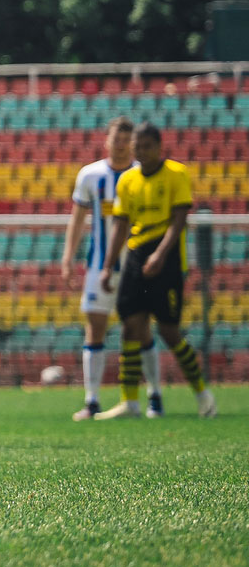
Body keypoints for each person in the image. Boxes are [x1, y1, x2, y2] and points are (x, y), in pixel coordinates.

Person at [99, 122, 216, 420]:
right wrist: (108, 265)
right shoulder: (127, 180)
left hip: (168, 258)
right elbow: (121, 224)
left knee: (168, 331)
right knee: (130, 326)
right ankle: (130, 401)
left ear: (159, 146)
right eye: (137, 147)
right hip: (137, 256)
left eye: (146, 146)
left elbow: (179, 220)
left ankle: (203, 394)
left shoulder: (176, 173)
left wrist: (161, 255)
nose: (140, 151)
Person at [63, 119, 163, 420]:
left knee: (140, 328)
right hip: (98, 265)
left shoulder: (141, 174)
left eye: (126, 139)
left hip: (134, 266)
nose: (121, 144)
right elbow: (78, 218)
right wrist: (68, 257)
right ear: (107, 140)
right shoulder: (91, 175)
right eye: (116, 138)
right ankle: (92, 400)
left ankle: (153, 396)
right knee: (95, 328)